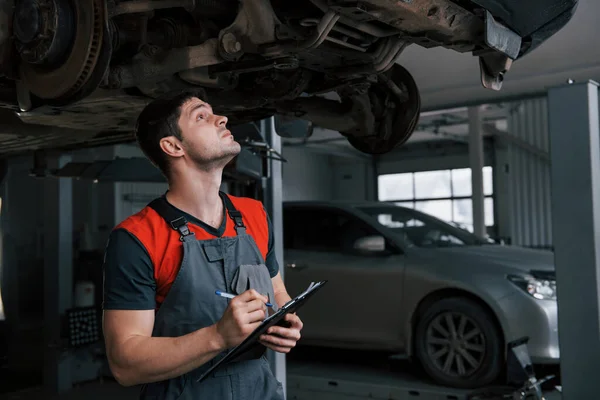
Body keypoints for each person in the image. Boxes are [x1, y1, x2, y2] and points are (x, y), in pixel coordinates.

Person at [101, 88, 303, 400]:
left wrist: (284, 320)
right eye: (202, 116)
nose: (222, 118)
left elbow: (276, 291)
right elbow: (125, 363)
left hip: (259, 390)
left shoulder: (255, 214)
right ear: (173, 146)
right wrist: (217, 336)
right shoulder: (137, 237)